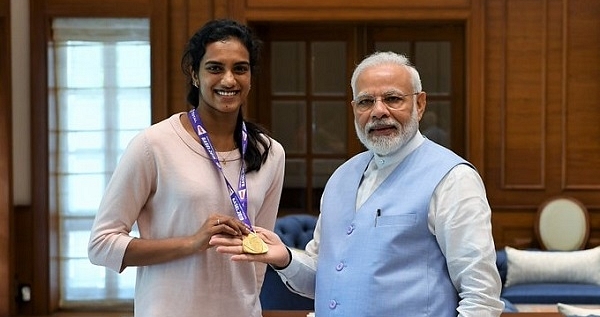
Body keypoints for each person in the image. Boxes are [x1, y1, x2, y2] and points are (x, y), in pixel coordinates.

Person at [211, 51, 505, 316]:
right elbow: (325, 279)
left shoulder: (453, 178)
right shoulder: (342, 177)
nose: (378, 111)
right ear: (354, 109)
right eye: (366, 101)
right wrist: (284, 258)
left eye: (392, 99)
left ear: (420, 104)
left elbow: (481, 296)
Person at [88, 19, 285, 317]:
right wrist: (192, 243)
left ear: (251, 76)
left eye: (240, 68)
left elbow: (259, 252)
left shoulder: (270, 153)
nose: (229, 80)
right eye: (215, 68)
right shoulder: (153, 145)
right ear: (195, 74)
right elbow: (101, 245)